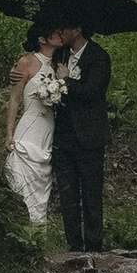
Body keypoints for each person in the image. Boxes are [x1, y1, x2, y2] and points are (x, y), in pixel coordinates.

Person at [49, 22, 112, 251]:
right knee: (67, 193)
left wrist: (67, 80)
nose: (60, 32)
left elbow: (92, 92)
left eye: (64, 28)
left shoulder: (99, 57)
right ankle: (74, 244)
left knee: (91, 192)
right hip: (64, 135)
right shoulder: (60, 54)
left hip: (89, 136)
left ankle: (94, 245)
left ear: (76, 30)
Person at [3, 24, 65, 229]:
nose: (60, 34)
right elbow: (14, 100)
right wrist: (9, 132)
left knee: (42, 178)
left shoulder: (60, 65)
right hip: (29, 125)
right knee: (20, 176)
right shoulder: (26, 62)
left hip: (48, 127)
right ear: (42, 39)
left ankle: (38, 230)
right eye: (55, 32)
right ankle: (19, 223)